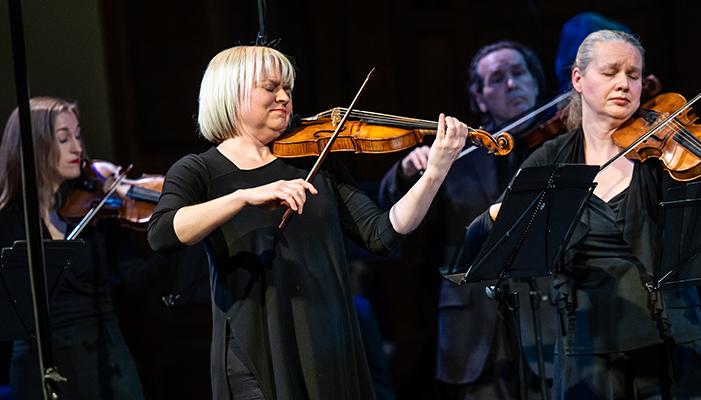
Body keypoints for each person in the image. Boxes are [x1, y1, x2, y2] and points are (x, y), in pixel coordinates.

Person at [146, 45, 469, 400]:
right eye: (270, 88)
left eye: (287, 88)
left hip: (327, 340)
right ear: (231, 92)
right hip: (256, 349)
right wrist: (242, 197)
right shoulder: (198, 170)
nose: (284, 97)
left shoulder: (316, 160)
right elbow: (163, 233)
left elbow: (383, 232)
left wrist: (436, 171)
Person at [475, 30, 701, 398]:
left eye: (633, 74)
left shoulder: (666, 158)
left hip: (675, 344)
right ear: (578, 79)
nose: (624, 84)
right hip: (588, 354)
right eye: (610, 72)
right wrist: (502, 215)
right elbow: (483, 235)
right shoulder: (552, 159)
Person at [379, 41, 556, 399]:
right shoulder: (455, 158)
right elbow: (388, 217)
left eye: (518, 73)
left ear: (536, 83)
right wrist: (406, 172)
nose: (511, 85)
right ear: (479, 98)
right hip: (473, 327)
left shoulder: (558, 146)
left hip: (544, 319)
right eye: (497, 78)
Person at [0, 97, 145, 399]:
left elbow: (138, 277)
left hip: (104, 356)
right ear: (33, 146)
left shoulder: (97, 212)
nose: (78, 148)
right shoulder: (7, 222)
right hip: (35, 363)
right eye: (64, 139)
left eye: (78, 136)